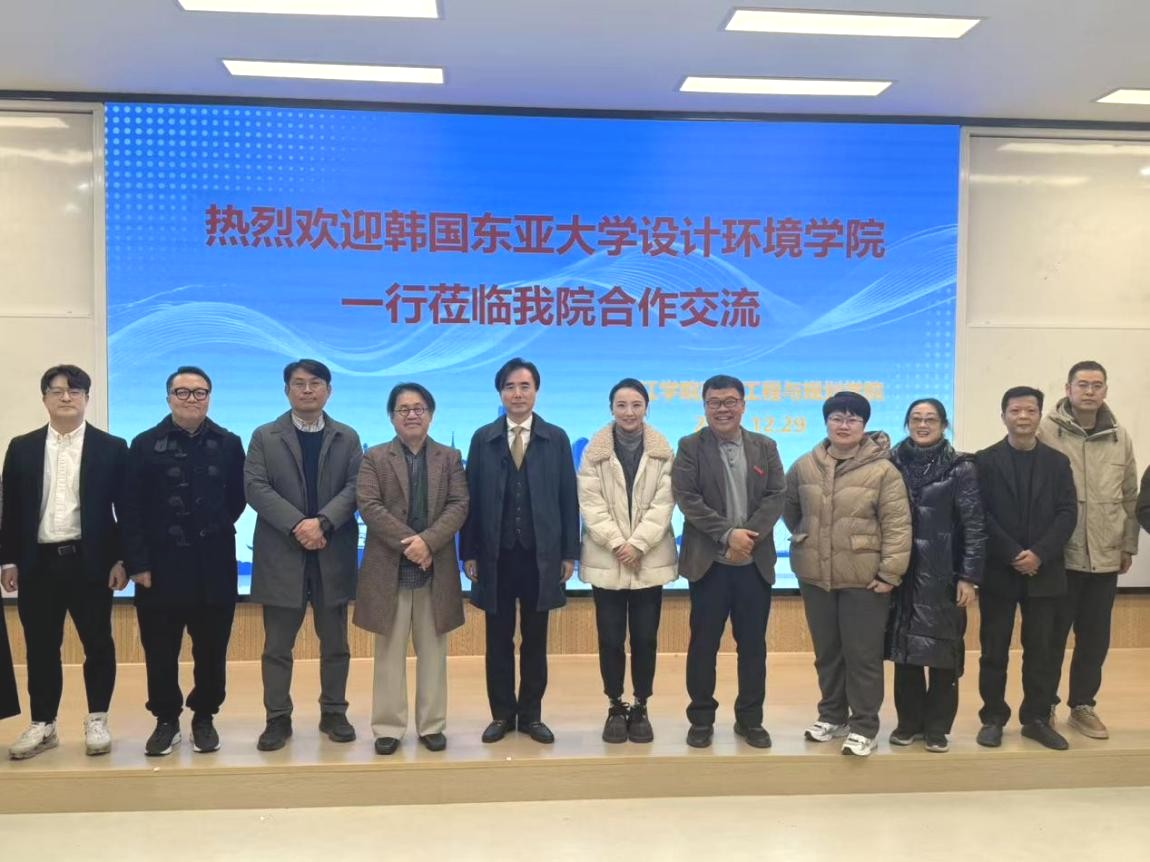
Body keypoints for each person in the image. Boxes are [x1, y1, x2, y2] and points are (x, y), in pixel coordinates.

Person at [0, 365, 128, 759]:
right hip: (38, 563)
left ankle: (97, 718)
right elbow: (10, 509)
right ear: (44, 399)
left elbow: (126, 509)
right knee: (40, 647)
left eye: (75, 390)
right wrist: (8, 560)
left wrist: (121, 558)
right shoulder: (22, 447)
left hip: (91, 563)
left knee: (98, 643)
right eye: (57, 391)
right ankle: (43, 724)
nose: (66, 397)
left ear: (87, 398)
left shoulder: (112, 447)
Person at [120, 366, 246, 756]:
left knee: (212, 649)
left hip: (214, 566)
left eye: (199, 392)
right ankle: (166, 720)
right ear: (168, 398)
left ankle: (204, 717)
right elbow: (130, 508)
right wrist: (138, 563)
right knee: (160, 650)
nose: (191, 399)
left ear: (209, 397)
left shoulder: (229, 443)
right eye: (182, 392)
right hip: (159, 568)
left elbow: (237, 499)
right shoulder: (144, 444)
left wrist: (211, 526)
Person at [785, 391, 911, 757]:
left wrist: (890, 572)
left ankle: (864, 726)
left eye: (853, 419)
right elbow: (791, 510)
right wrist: (809, 540)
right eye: (837, 418)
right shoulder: (804, 465)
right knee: (828, 653)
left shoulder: (883, 471)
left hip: (864, 579)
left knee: (862, 656)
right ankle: (833, 716)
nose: (844, 425)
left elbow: (898, 525)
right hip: (816, 576)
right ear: (826, 422)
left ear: (864, 425)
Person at [245, 359, 363, 752]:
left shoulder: (347, 436)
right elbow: (255, 488)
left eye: (315, 383)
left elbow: (356, 487)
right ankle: (277, 718)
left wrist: (323, 523)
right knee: (277, 647)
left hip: (332, 553)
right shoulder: (265, 436)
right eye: (299, 383)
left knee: (336, 644)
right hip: (282, 553)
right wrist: (299, 524)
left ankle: (334, 712)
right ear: (286, 391)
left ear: (329, 390)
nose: (307, 390)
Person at [460, 358, 579, 745]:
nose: (517, 394)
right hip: (495, 555)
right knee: (497, 641)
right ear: (500, 393)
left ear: (536, 391)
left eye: (524, 386)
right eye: (510, 387)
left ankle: (531, 716)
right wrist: (469, 551)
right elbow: (471, 498)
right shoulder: (483, 438)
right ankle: (501, 714)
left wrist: (568, 553)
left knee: (535, 640)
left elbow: (568, 498)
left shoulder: (555, 438)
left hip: (540, 556)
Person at [672, 374, 785, 750]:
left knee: (753, 647)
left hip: (754, 564)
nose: (723, 409)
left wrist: (746, 539)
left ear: (743, 405)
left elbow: (776, 496)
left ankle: (750, 720)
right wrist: (727, 535)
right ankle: (701, 719)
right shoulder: (690, 446)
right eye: (715, 402)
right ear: (704, 406)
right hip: (709, 565)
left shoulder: (765, 446)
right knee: (703, 646)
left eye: (730, 401)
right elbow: (687, 499)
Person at [355, 383, 468, 755]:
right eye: (403, 409)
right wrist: (412, 544)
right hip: (389, 570)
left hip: (435, 570)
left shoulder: (449, 457)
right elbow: (369, 506)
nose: (412, 415)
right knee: (388, 653)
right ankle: (388, 727)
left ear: (431, 414)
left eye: (419, 408)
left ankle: (432, 724)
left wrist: (428, 543)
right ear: (392, 417)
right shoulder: (374, 457)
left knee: (433, 652)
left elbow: (459, 504)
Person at [1039, 361, 1139, 740]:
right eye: (1082, 384)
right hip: (1061, 555)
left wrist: (1128, 544)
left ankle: (1082, 705)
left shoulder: (1119, 437)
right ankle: (1044, 704)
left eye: (1097, 385)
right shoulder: (1046, 431)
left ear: (1105, 391)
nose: (1090, 391)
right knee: (1052, 638)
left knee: (1094, 640)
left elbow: (1129, 495)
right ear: (1068, 389)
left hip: (1105, 555)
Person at [975, 386, 1077, 751]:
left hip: (1045, 572)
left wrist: (1039, 554)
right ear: (1003, 415)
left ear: (1039, 416)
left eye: (1030, 411)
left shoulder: (1057, 462)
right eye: (1015, 410)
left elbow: (1067, 513)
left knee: (1042, 651)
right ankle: (992, 718)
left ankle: (1035, 718)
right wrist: (1014, 553)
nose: (1022, 417)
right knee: (994, 650)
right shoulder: (984, 461)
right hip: (999, 571)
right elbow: (980, 514)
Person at [577, 378, 677, 744]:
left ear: (647, 408)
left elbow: (664, 503)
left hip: (649, 559)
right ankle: (615, 705)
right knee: (610, 638)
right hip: (607, 558)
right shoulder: (594, 453)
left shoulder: (663, 451)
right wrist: (619, 544)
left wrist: (638, 544)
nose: (629, 412)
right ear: (611, 409)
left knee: (646, 638)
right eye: (621, 405)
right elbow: (590, 503)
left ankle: (641, 705)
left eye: (636, 405)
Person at [886, 399, 986, 753]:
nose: (923, 424)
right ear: (907, 423)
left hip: (944, 576)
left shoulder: (961, 468)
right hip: (901, 573)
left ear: (944, 425)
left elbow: (975, 526)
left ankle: (937, 728)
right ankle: (908, 723)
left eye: (931, 419)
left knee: (944, 655)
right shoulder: (891, 463)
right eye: (916, 418)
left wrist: (969, 577)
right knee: (905, 653)